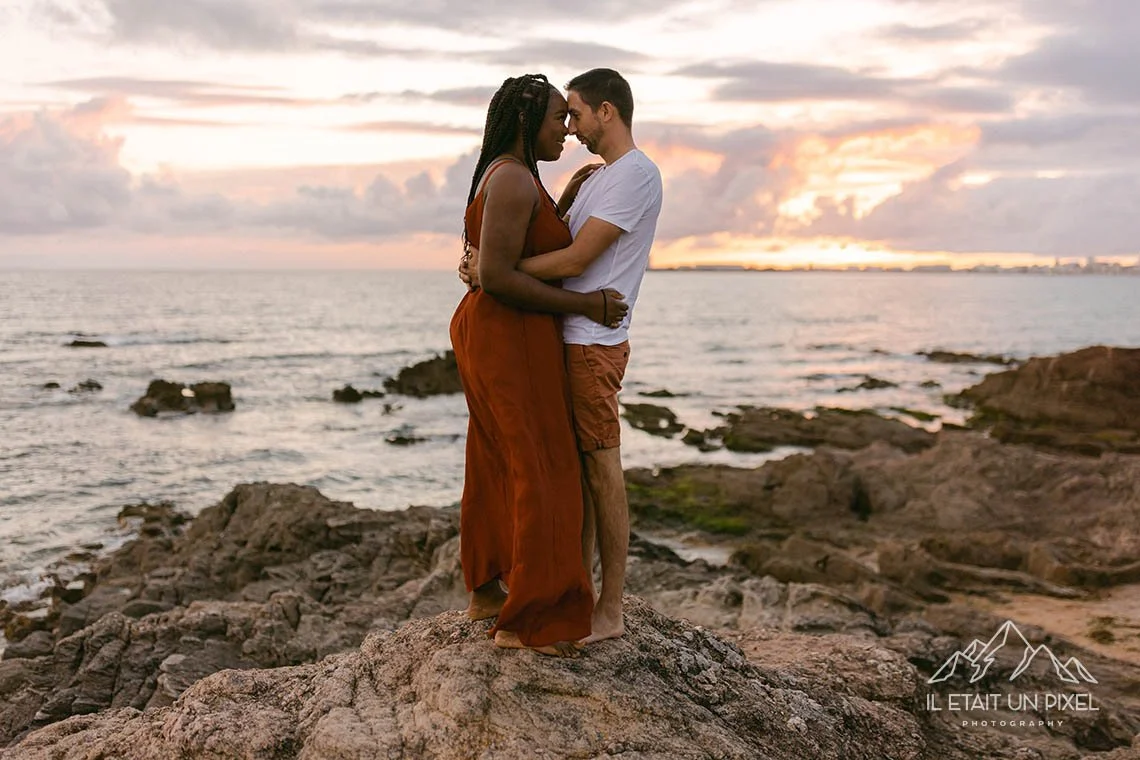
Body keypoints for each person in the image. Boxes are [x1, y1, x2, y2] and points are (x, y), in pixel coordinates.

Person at [461, 69, 664, 644]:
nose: (570, 128)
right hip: (553, 336)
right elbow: (544, 244)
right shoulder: (583, 179)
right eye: (561, 116)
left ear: (606, 110)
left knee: (593, 469)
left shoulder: (635, 174)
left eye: (574, 114)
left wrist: (492, 271)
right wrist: (492, 269)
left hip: (590, 342)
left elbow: (574, 259)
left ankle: (607, 608)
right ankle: (561, 596)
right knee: (549, 471)